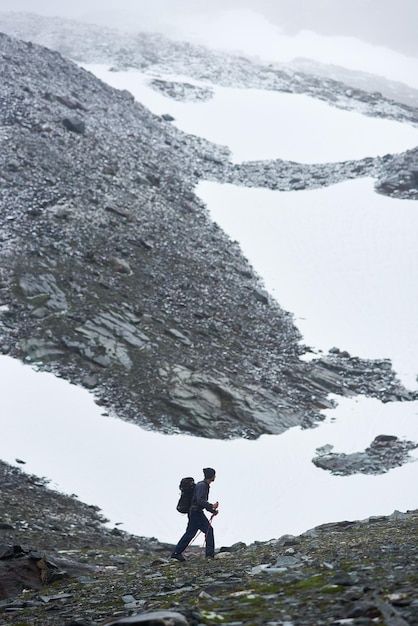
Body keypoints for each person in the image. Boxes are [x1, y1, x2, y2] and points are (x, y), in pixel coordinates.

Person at [171, 467, 219, 561]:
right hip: (196, 513)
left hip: (194, 512)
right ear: (212, 476)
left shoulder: (201, 485)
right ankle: (209, 556)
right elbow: (200, 501)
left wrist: (212, 510)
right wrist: (212, 506)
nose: (215, 477)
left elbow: (199, 501)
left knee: (190, 533)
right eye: (214, 475)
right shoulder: (203, 486)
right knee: (209, 531)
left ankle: (176, 553)